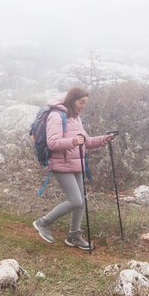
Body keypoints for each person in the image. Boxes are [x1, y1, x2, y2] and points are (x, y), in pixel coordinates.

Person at [32, 86, 113, 250]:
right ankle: (43, 222)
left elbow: (87, 141)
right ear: (72, 99)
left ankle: (74, 235)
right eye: (81, 102)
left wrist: (104, 139)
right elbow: (52, 143)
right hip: (60, 164)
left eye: (85, 103)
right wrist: (73, 142)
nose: (83, 105)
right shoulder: (56, 115)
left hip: (76, 163)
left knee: (81, 201)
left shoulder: (76, 118)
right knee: (75, 200)